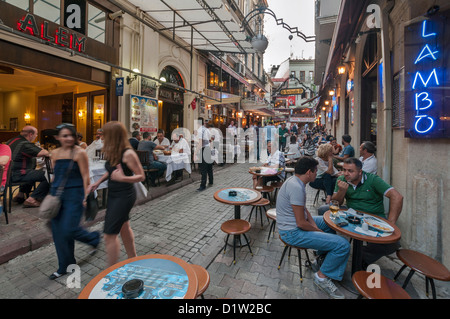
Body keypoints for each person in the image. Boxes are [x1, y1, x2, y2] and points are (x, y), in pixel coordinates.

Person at [276, 156, 350, 299]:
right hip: (292, 232)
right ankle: (322, 277)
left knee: (327, 221)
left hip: (295, 225)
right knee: (343, 245)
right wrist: (317, 231)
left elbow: (304, 210)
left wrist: (315, 225)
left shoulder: (296, 182)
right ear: (309, 172)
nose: (317, 174)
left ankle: (321, 258)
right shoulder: (296, 187)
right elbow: (300, 223)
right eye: (316, 171)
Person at [318, 158, 403, 266]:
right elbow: (336, 203)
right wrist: (342, 191)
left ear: (360, 172)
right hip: (351, 212)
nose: (346, 174)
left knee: (392, 244)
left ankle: (362, 257)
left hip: (373, 215)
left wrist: (391, 223)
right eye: (344, 170)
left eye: (350, 171)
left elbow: (397, 197)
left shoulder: (373, 180)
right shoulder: (342, 179)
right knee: (323, 210)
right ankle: (331, 245)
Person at [87, 121, 145, 267]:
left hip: (124, 195)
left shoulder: (128, 153)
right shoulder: (114, 150)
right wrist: (98, 182)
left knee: (109, 235)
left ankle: (111, 270)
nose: (101, 136)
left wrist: (123, 178)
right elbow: (111, 170)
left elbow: (141, 176)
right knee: (124, 227)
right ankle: (133, 258)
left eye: (104, 134)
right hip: (114, 193)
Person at [48, 123, 100, 280]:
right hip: (57, 195)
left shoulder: (79, 153)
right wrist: (50, 195)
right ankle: (65, 266)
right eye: (65, 136)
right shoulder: (54, 153)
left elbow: (85, 176)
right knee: (58, 233)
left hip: (75, 194)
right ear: (58, 138)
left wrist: (84, 196)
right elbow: (54, 175)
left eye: (71, 135)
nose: (69, 138)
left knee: (69, 229)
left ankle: (93, 238)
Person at [6, 126, 50, 207]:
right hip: (16, 174)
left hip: (6, 174)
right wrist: (44, 151)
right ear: (30, 134)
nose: (35, 137)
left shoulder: (10, 141)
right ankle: (32, 199)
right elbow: (44, 153)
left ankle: (20, 195)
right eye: (36, 135)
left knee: (32, 171)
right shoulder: (24, 144)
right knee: (49, 175)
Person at [195, 117, 213, 191]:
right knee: (209, 167)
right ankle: (211, 181)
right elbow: (210, 139)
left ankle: (203, 185)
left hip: (203, 149)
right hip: (208, 148)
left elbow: (200, 142)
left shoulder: (200, 130)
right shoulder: (206, 129)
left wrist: (196, 152)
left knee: (203, 168)